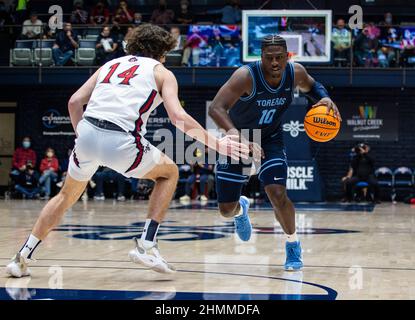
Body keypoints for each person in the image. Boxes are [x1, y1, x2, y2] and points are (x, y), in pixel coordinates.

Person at [6, 24, 248, 278]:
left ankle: (21, 257)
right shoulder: (162, 72)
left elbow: (74, 102)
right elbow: (178, 117)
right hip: (121, 138)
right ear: (161, 51)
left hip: (87, 133)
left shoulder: (109, 65)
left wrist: (83, 137)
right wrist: (218, 144)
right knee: (169, 173)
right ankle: (146, 245)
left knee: (65, 197)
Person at [208, 35, 341, 271]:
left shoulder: (295, 72)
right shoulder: (245, 76)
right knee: (226, 210)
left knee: (277, 193)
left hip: (271, 138)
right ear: (261, 58)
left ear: (287, 56)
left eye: (280, 57)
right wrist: (235, 134)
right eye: (269, 58)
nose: (275, 63)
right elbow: (216, 108)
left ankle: (292, 245)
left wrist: (325, 97)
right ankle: (241, 210)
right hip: (238, 137)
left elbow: (314, 86)